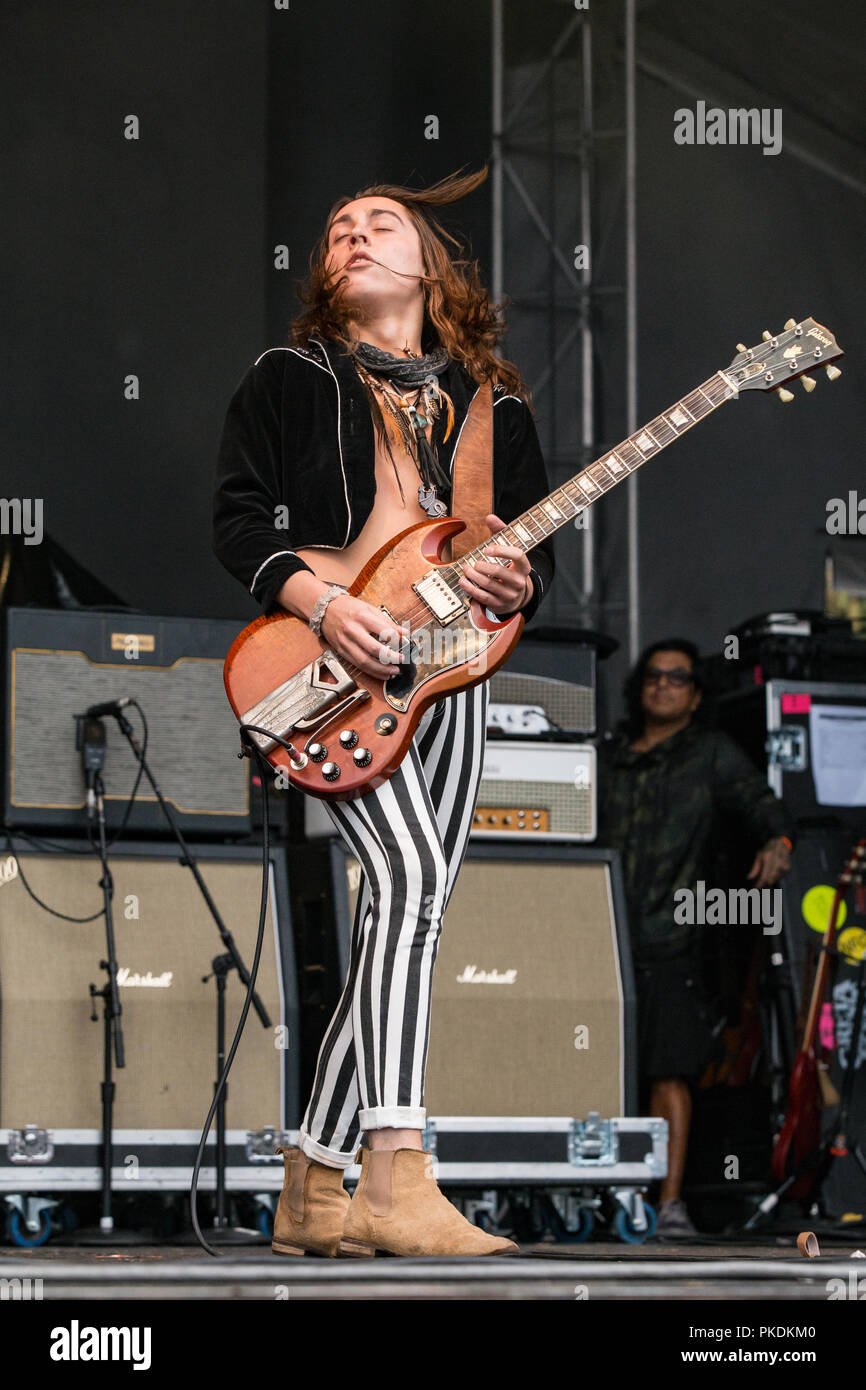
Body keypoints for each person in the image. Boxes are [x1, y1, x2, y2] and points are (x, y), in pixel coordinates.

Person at [212, 166, 555, 1257]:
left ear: (424, 264)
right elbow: (232, 522)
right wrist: (318, 604)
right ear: (323, 271)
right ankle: (395, 1166)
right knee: (405, 886)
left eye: (379, 224)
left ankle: (310, 1183)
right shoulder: (288, 376)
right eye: (336, 228)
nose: (353, 234)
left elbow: (517, 563)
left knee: (400, 915)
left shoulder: (488, 401)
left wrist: (516, 584)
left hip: (449, 678)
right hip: (318, 676)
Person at [596, 640, 794, 1238]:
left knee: (669, 1070)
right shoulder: (608, 755)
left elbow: (765, 807)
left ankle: (671, 1202)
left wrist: (777, 844)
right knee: (591, 1066)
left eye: (678, 678)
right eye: (653, 676)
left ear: (696, 693)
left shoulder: (710, 754)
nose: (663, 686)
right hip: (596, 935)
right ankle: (593, 1194)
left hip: (670, 938)